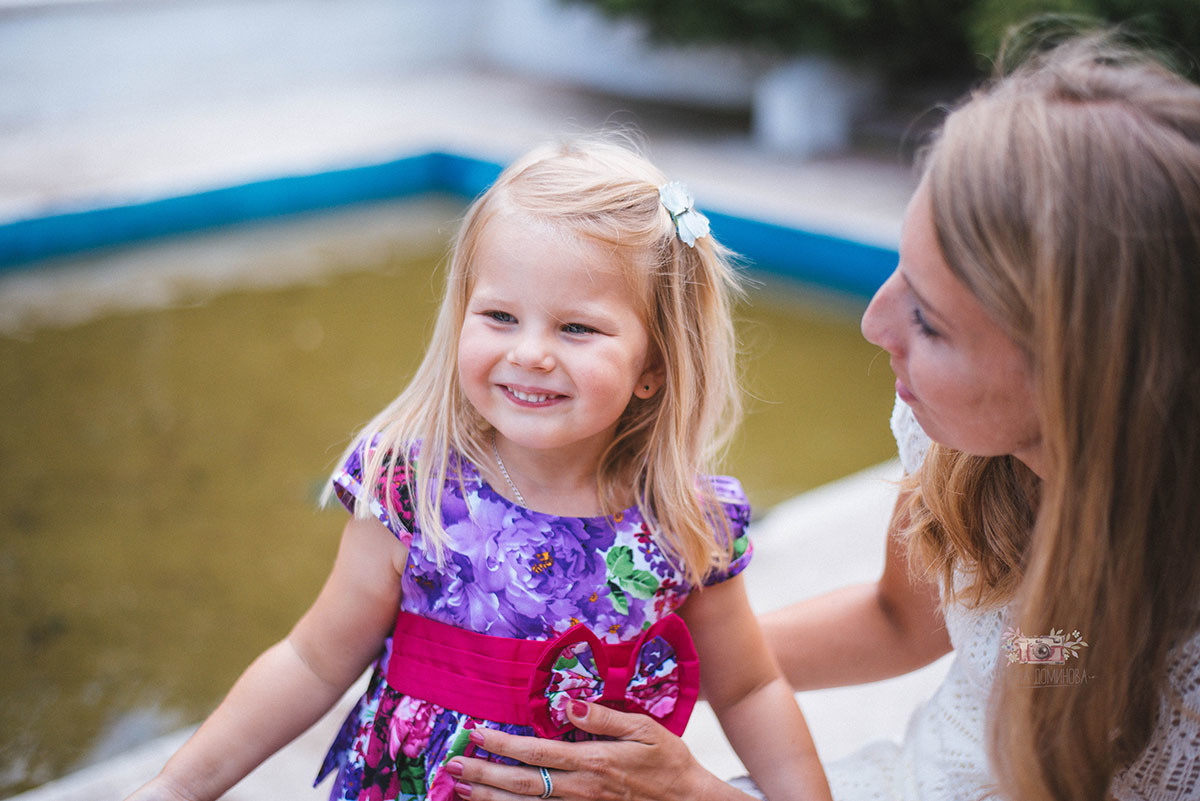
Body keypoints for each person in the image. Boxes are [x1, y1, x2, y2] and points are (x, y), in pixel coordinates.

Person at [448, 29, 1200, 801]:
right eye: (899, 269)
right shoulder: (971, 454)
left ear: (1082, 377)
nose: (876, 324)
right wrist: (641, 657)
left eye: (931, 321)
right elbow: (914, 622)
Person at [123, 138, 833, 801]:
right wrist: (179, 787)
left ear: (653, 364)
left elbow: (748, 688)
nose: (529, 352)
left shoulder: (683, 520)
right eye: (499, 315)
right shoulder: (416, 487)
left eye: (575, 327)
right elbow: (313, 661)